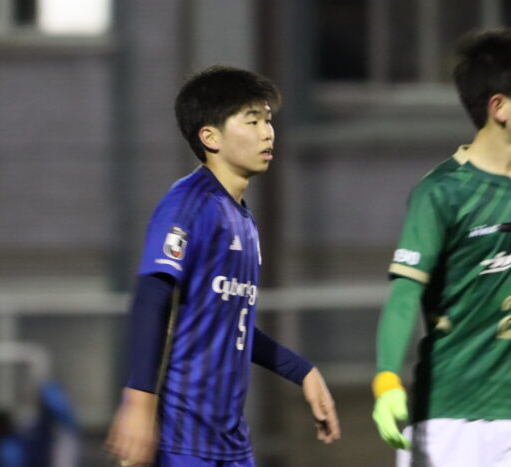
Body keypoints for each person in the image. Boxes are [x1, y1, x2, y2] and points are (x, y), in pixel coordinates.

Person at [105, 66, 340, 466]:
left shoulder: (243, 220)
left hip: (230, 443)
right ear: (210, 137)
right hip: (182, 441)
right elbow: (152, 295)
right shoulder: (188, 202)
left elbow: (230, 323)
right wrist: (139, 402)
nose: (268, 133)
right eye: (252, 121)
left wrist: (303, 372)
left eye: (268, 120)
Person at [372, 27, 511, 466]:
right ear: (499, 107)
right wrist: (387, 381)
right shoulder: (443, 192)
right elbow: (404, 294)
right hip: (451, 419)